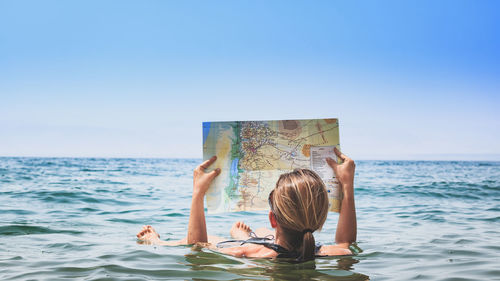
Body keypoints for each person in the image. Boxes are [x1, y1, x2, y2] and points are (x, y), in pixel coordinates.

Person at [137, 147, 357, 261]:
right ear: (321, 218)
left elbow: (197, 249)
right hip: (273, 243)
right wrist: (347, 186)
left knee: (203, 240)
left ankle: (157, 242)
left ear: (273, 218)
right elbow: (346, 241)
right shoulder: (336, 253)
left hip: (260, 248)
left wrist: (198, 193)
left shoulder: (250, 254)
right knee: (261, 233)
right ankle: (247, 235)